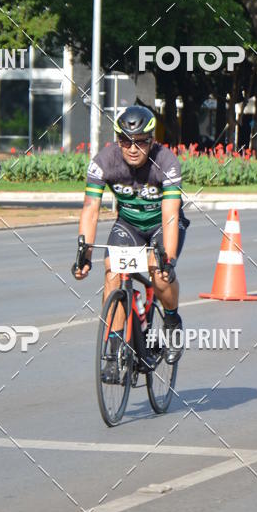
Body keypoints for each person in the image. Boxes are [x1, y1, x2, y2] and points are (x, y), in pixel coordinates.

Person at [73, 105, 189, 380]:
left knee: (159, 274)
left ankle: (172, 320)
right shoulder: (104, 161)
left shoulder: (167, 162)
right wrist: (84, 255)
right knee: (112, 272)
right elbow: (91, 208)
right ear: (118, 140)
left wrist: (169, 259)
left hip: (162, 225)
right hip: (129, 225)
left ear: (152, 140)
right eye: (125, 141)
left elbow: (171, 215)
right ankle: (115, 351)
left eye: (140, 142)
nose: (133, 148)